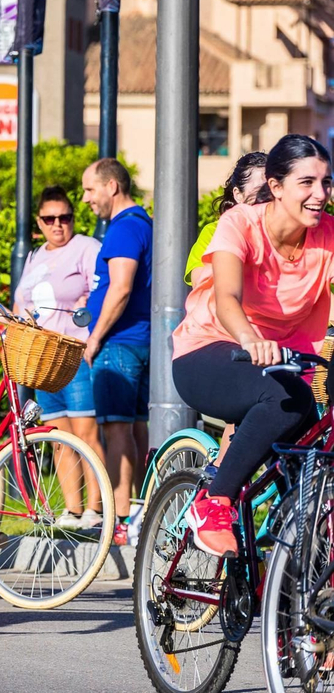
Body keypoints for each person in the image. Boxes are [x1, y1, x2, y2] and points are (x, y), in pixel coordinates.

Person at [170, 134, 334, 556]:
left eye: (326, 182)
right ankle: (214, 501)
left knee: (313, 450)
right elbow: (226, 296)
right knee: (286, 401)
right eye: (307, 183)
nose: (320, 194)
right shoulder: (240, 223)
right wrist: (249, 337)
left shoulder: (328, 235)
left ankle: (290, 562)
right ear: (275, 186)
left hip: (282, 363)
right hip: (211, 350)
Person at [13, 185, 104, 529]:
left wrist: (89, 316)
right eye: (49, 219)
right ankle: (72, 509)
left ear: (72, 218)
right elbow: (21, 303)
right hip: (43, 358)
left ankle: (96, 509)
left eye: (64, 217)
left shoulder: (85, 247)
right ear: (38, 222)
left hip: (74, 353)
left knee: (85, 434)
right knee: (58, 436)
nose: (57, 224)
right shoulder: (35, 256)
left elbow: (102, 288)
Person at [81, 157, 154, 546]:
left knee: (116, 429)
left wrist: (95, 337)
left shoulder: (124, 228)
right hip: (137, 340)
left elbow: (121, 287)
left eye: (90, 189)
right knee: (135, 427)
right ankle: (139, 515)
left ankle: (120, 519)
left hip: (120, 342)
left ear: (112, 186)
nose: (86, 198)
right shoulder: (141, 223)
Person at [186, 152, 268, 285]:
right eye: (260, 190)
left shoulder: (289, 233)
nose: (267, 197)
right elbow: (200, 282)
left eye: (273, 188)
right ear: (238, 194)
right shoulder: (214, 232)